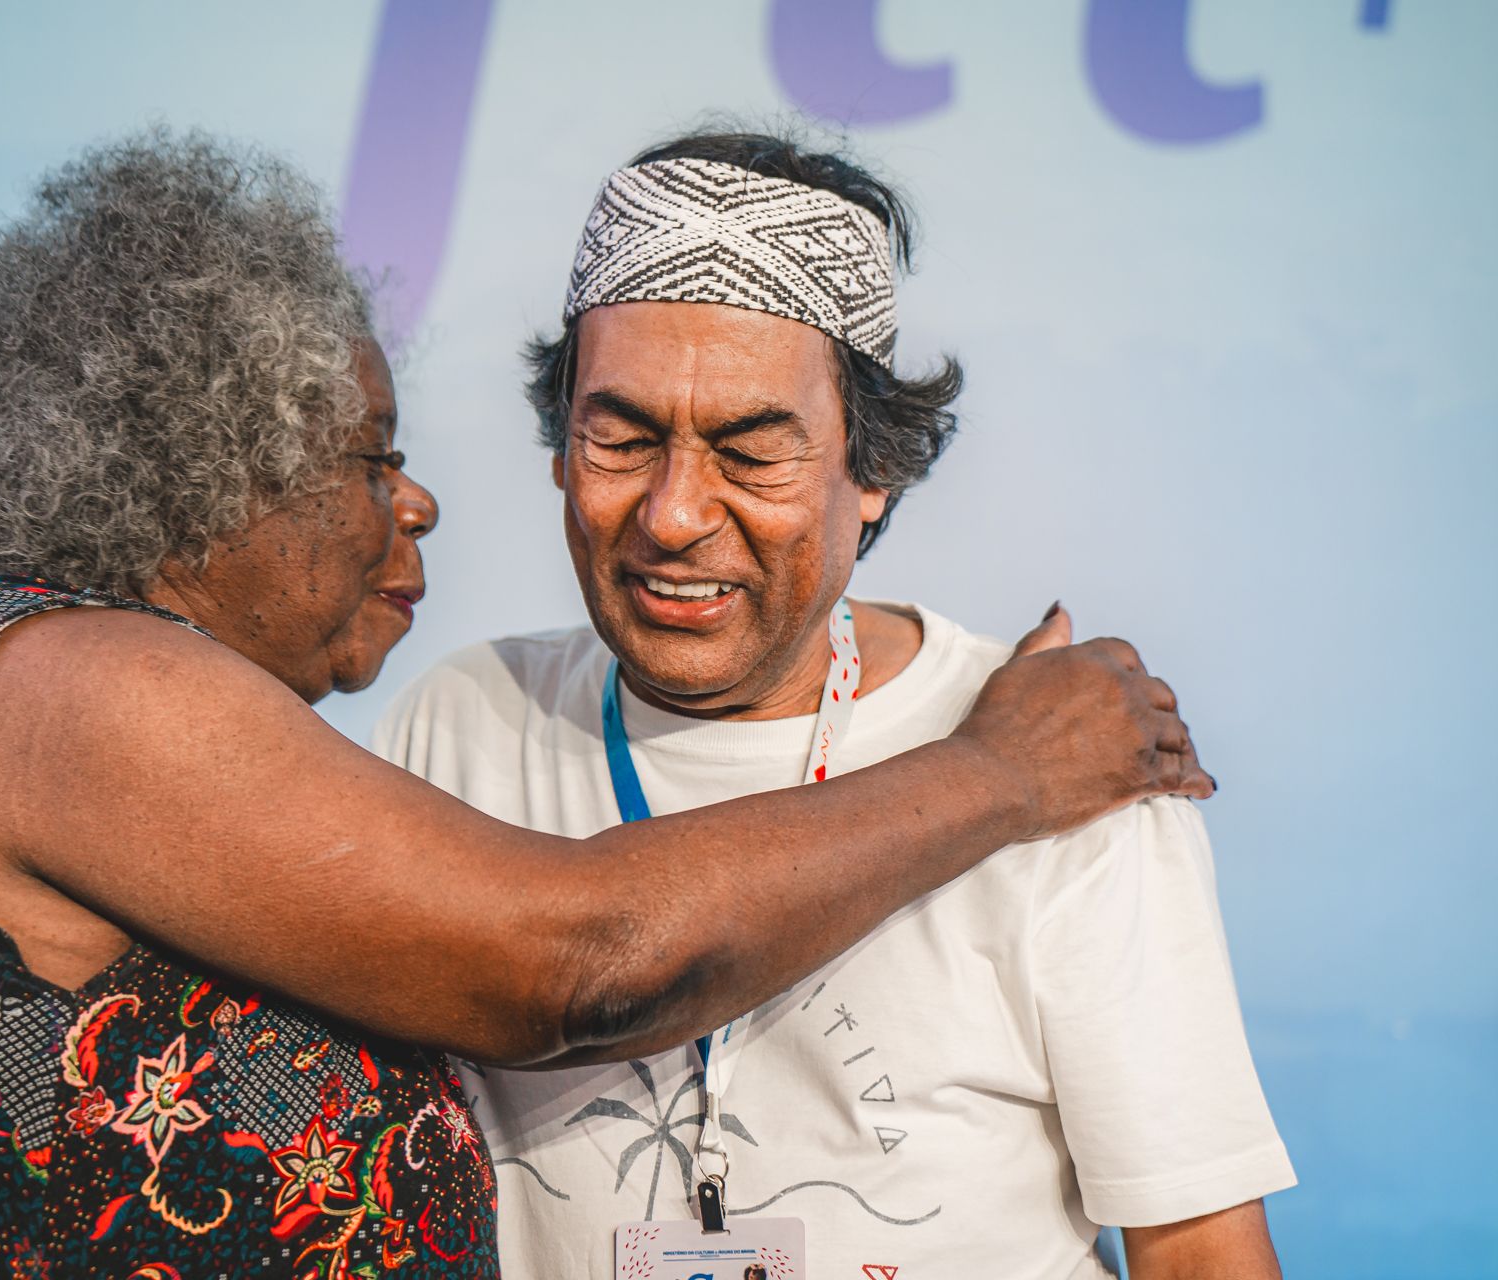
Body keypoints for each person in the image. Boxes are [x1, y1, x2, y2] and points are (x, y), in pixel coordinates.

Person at [0, 128, 1213, 1280]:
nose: (417, 510)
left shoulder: (30, 690)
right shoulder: (83, 693)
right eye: (366, 458)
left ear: (871, 473)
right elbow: (578, 962)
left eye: (751, 450)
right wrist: (1001, 771)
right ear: (207, 467)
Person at [376, 131, 1294, 1279]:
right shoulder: (460, 724)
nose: (671, 514)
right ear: (560, 446)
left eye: (751, 453)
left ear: (874, 472)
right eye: (620, 436)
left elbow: (1201, 1251)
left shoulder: (1080, 773)